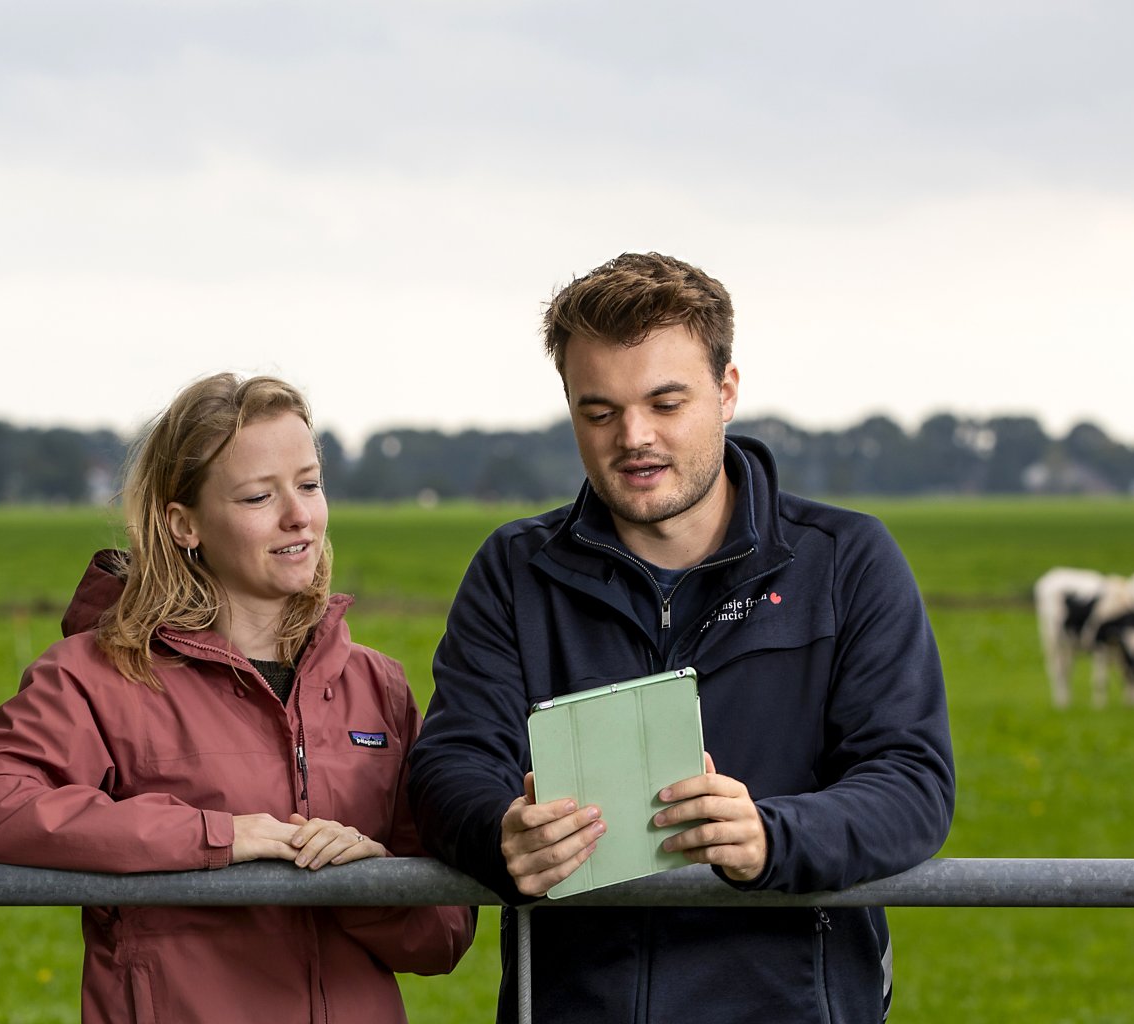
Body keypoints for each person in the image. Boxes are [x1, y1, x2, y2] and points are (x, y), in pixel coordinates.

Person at [406, 253, 955, 1022]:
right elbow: (451, 762)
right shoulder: (514, 571)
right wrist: (499, 832)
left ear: (726, 391)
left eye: (665, 403)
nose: (634, 438)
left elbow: (912, 781)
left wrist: (773, 838)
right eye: (599, 412)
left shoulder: (845, 561)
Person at [0, 373, 475, 1024]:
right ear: (184, 524)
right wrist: (218, 837)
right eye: (258, 496)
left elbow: (444, 936)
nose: (298, 516)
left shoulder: (377, 686)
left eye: (309, 485)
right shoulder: (97, 676)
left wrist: (370, 882)